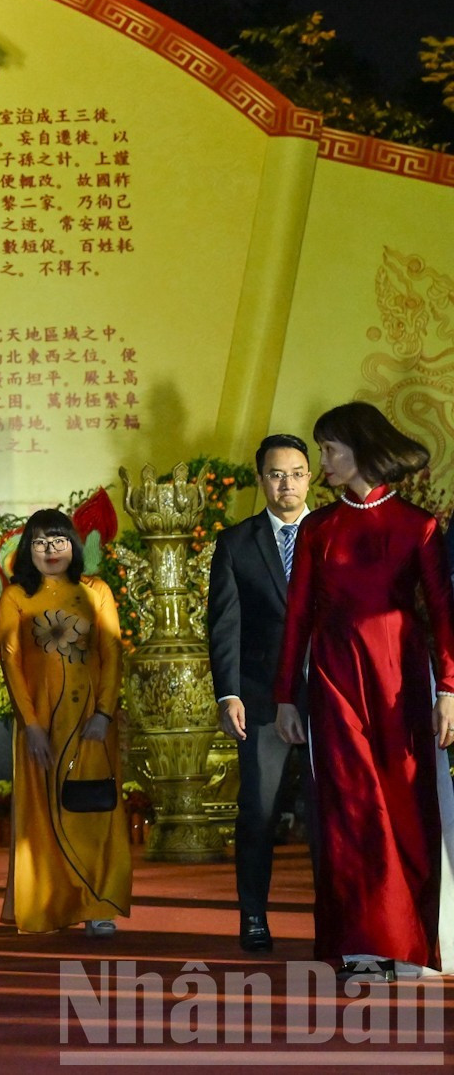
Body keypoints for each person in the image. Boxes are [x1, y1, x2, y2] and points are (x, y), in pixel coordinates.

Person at [275, 402, 454, 976]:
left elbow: (444, 614)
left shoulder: (418, 525)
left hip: (402, 678)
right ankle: (358, 943)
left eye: (328, 449)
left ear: (359, 449)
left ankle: (408, 944)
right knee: (349, 810)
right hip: (333, 677)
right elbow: (297, 617)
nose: (319, 461)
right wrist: (285, 697)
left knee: (406, 806)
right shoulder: (318, 529)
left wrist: (448, 688)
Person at [0, 508, 131, 938]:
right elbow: (11, 662)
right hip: (40, 728)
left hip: (92, 723)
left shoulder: (96, 592)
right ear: (26, 551)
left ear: (73, 545)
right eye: (39, 543)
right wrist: (31, 725)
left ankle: (98, 904)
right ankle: (49, 905)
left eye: (58, 541)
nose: (51, 551)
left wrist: (104, 713)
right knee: (41, 814)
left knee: (93, 811)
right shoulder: (16, 597)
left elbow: (112, 654)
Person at [206, 433, 312, 952]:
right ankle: (253, 915)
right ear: (260, 480)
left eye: (295, 472)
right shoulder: (237, 542)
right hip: (261, 696)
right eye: (276, 473)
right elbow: (225, 624)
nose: (286, 483)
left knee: (331, 813)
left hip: (331, 695)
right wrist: (229, 694)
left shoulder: (334, 532)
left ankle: (340, 920)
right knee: (259, 810)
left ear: (311, 476)